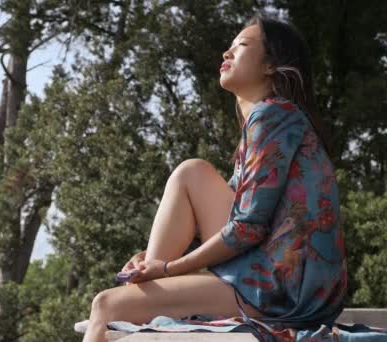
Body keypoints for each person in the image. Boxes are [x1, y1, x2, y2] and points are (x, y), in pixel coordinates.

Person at [82, 13, 347, 342]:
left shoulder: (273, 115)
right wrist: (155, 262)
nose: (226, 53)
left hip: (282, 294)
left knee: (105, 305)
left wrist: (168, 270)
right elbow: (226, 226)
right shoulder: (270, 124)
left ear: (271, 65)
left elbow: (247, 227)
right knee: (191, 173)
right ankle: (146, 278)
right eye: (229, 46)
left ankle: (148, 283)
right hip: (285, 286)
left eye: (242, 45)